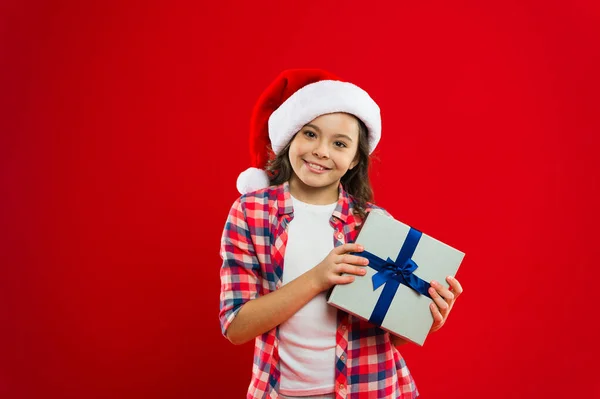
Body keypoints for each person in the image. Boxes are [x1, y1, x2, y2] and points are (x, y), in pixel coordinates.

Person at [219, 69, 463, 399]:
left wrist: (425, 318)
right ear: (291, 136)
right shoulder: (251, 214)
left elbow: (384, 339)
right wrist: (318, 278)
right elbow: (236, 326)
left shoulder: (372, 224)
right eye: (310, 134)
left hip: (370, 390)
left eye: (339, 143)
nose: (321, 151)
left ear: (352, 161)